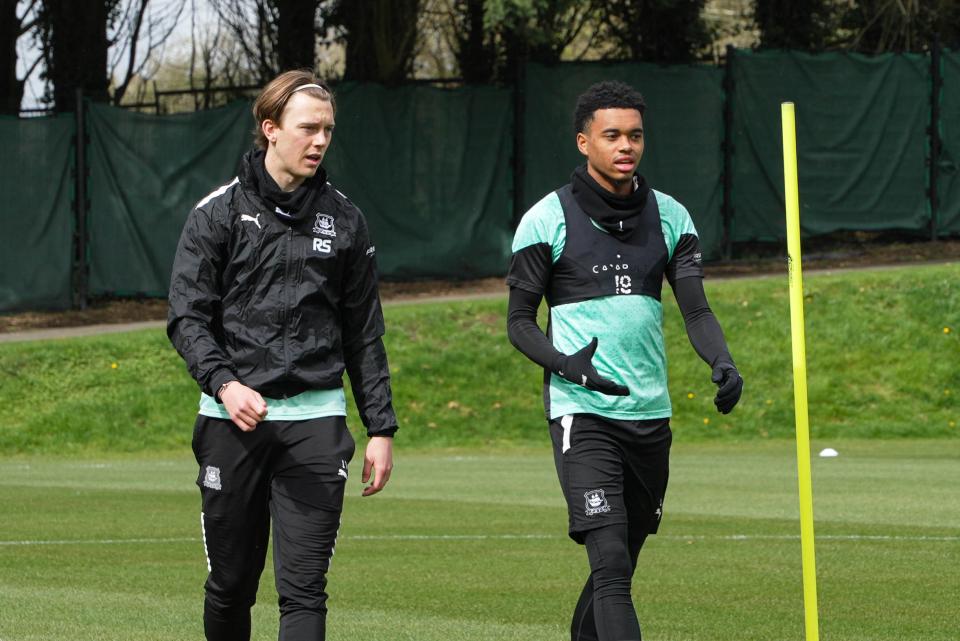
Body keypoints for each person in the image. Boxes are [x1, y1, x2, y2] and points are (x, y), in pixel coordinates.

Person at [506, 80, 743, 641]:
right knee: (608, 561)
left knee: (620, 568)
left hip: (650, 417)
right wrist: (570, 367)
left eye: (635, 135)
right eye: (612, 135)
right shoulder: (546, 219)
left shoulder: (671, 217)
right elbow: (519, 323)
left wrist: (722, 362)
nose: (625, 146)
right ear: (584, 141)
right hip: (581, 413)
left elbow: (696, 311)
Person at [167, 69, 398, 641]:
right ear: (271, 129)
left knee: (304, 592)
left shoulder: (346, 220)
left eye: (328, 129)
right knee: (231, 585)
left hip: (316, 428)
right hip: (231, 423)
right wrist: (225, 384)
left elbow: (363, 330)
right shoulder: (216, 214)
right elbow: (187, 318)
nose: (320, 140)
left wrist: (381, 427)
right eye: (308, 128)